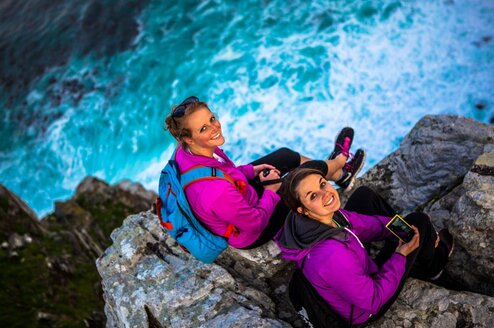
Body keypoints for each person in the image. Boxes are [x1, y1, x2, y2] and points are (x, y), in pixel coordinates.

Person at [163, 95, 366, 249]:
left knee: (285, 156)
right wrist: (272, 189)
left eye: (212, 119)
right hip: (250, 231)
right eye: (203, 129)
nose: (214, 127)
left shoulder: (192, 150)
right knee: (301, 179)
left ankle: (340, 175)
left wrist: (251, 171)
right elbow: (254, 223)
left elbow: (226, 172)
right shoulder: (213, 192)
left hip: (240, 195)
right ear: (188, 138)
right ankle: (338, 163)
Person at [274, 166, 454, 326]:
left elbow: (363, 225)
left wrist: (401, 229)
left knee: (364, 196)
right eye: (313, 195)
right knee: (420, 221)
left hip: (351, 266)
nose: (325, 194)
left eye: (322, 184)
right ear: (302, 210)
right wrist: (401, 255)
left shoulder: (322, 217)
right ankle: (433, 267)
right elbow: (373, 300)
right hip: (365, 307)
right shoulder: (330, 255)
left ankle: (418, 245)